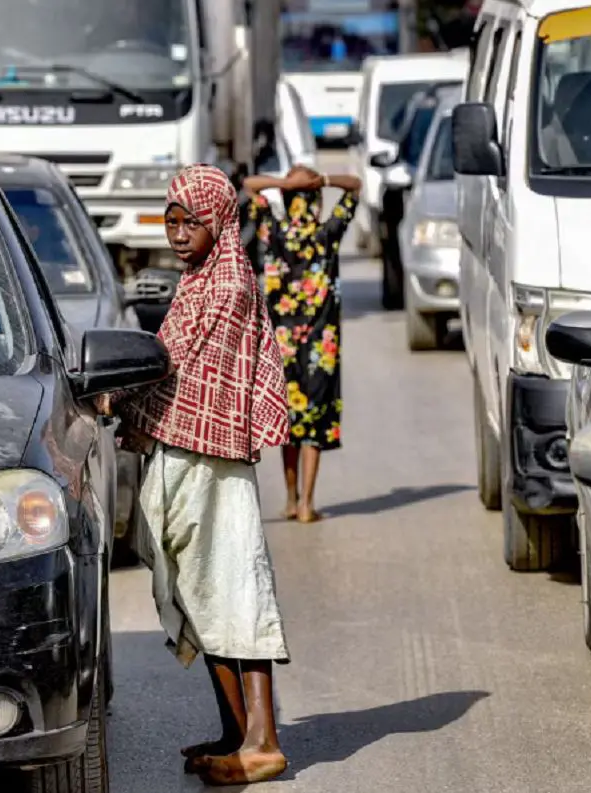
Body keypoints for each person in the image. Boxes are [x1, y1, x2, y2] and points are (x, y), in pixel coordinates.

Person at [94, 164, 292, 786]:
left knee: (232, 590)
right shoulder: (200, 277)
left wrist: (116, 397)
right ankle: (238, 733)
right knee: (201, 591)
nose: (178, 234)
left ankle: (263, 742)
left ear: (220, 222)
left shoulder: (225, 286)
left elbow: (174, 367)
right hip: (187, 456)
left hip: (211, 460)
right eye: (170, 222)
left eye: (191, 222)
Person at [243, 165, 361, 523]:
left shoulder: (273, 233)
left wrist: (282, 183)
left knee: (290, 424)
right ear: (315, 200)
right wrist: (322, 179)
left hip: (282, 346)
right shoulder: (328, 234)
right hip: (321, 348)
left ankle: (292, 499)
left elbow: (249, 185)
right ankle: (308, 502)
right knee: (314, 423)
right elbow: (354, 186)